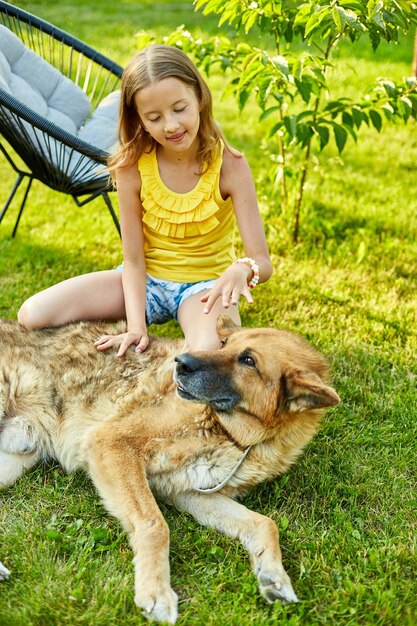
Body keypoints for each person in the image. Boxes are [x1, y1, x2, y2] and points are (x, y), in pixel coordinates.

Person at [18, 44, 272, 355]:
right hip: (145, 280)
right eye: (154, 117)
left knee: (210, 352)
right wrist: (136, 326)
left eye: (180, 109)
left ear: (200, 97)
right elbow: (134, 260)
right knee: (31, 315)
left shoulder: (231, 165)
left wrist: (242, 269)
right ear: (138, 119)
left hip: (205, 287)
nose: (171, 125)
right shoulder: (131, 166)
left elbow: (263, 262)